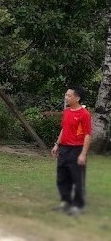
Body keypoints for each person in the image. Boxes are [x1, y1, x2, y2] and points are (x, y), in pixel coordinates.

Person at [51, 86, 92, 216]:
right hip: (64, 149)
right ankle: (66, 201)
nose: (66, 97)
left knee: (77, 178)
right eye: (66, 95)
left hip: (77, 149)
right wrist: (57, 144)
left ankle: (78, 205)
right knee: (62, 176)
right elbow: (64, 129)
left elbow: (87, 135)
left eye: (69, 95)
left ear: (77, 98)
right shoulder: (67, 112)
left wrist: (83, 154)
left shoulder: (84, 114)